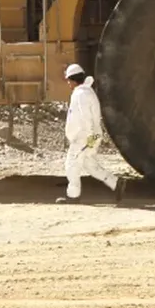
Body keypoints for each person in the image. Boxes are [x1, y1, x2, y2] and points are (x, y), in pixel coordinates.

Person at [57, 63, 126, 204]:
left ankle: (73, 196)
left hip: (85, 137)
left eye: (68, 80)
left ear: (73, 79)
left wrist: (89, 138)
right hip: (91, 136)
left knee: (72, 164)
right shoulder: (87, 92)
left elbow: (85, 118)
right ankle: (115, 183)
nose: (68, 83)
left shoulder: (81, 94)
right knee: (89, 164)